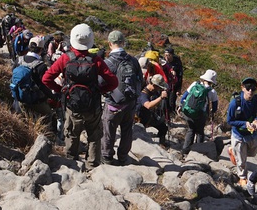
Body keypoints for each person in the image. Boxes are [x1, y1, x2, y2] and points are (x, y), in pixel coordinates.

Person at [43, 24, 118, 169]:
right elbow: (113, 82)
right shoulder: (96, 60)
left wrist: (61, 90)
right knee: (94, 136)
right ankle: (92, 165)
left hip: (72, 104)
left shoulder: (65, 58)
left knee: (72, 134)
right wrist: (101, 90)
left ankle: (72, 163)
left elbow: (46, 78)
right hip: (93, 105)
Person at [101, 30, 143, 165]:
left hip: (113, 103)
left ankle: (107, 157)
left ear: (109, 44)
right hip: (130, 103)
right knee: (127, 131)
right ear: (123, 43)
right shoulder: (133, 60)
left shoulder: (107, 62)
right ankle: (123, 157)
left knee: (108, 130)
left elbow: (100, 83)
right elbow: (140, 81)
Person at [13, 38, 57, 137]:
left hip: (18, 97)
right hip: (34, 100)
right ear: (41, 50)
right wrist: (52, 96)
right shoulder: (40, 66)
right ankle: (47, 137)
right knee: (48, 114)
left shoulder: (18, 60)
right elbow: (43, 86)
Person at [228, 77, 257, 186]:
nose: (250, 91)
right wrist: (244, 124)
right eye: (248, 87)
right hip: (238, 133)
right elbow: (229, 121)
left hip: (252, 133)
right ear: (242, 88)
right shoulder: (235, 103)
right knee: (241, 159)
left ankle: (232, 151)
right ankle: (242, 177)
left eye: (253, 88)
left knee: (252, 153)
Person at [179, 69, 219, 156]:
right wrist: (212, 113)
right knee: (200, 132)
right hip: (201, 115)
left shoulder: (194, 84)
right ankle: (198, 150)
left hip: (188, 112)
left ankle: (185, 150)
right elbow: (215, 106)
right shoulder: (212, 92)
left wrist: (180, 106)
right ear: (212, 81)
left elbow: (185, 96)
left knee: (191, 129)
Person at [138, 74, 169, 147]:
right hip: (139, 118)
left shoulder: (153, 91)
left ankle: (162, 143)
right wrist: (161, 97)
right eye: (159, 87)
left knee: (163, 127)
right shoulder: (143, 94)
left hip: (149, 116)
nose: (159, 89)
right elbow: (148, 105)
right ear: (154, 85)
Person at [162, 47, 183, 112]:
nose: (166, 57)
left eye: (168, 55)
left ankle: (171, 113)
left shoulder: (177, 62)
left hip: (174, 85)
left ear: (172, 55)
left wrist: (179, 89)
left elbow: (180, 76)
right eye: (165, 55)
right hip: (164, 84)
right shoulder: (163, 61)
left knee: (172, 100)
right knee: (164, 100)